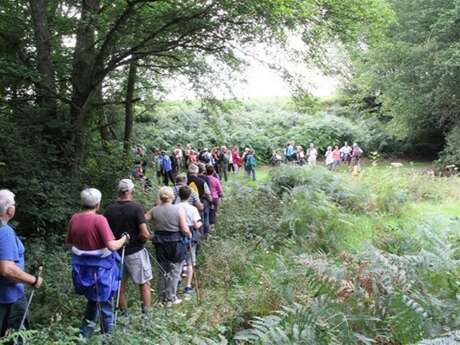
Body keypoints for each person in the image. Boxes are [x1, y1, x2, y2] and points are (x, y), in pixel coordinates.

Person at [66, 188, 128, 338]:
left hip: (82, 270)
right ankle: (108, 338)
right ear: (98, 204)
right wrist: (124, 239)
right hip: (101, 271)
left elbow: (68, 243)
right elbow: (112, 246)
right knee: (105, 304)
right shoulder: (99, 220)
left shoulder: (74, 218)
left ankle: (83, 335)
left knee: (94, 301)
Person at [103, 179, 152, 316]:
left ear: (119, 191)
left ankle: (124, 316)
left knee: (119, 286)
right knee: (143, 284)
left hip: (115, 253)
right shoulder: (136, 208)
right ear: (131, 191)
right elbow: (144, 233)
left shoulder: (109, 209)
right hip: (135, 251)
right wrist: (142, 240)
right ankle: (146, 316)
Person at [0, 190, 44, 338]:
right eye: (13, 204)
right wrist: (34, 280)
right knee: (15, 338)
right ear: (9, 210)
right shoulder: (4, 232)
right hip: (8, 298)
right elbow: (7, 269)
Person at [145, 187, 192, 306]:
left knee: (162, 271)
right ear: (173, 196)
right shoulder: (178, 209)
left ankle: (161, 298)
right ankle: (171, 298)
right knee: (175, 270)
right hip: (176, 243)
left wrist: (149, 233)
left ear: (160, 197)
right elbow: (184, 228)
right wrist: (189, 234)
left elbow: (142, 219)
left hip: (160, 243)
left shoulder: (154, 210)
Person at [176, 186, 202, 300]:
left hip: (177, 234)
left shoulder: (174, 207)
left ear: (178, 195)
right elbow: (196, 225)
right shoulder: (192, 209)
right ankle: (188, 286)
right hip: (190, 234)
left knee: (179, 260)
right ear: (189, 195)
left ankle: (177, 283)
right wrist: (200, 224)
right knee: (190, 261)